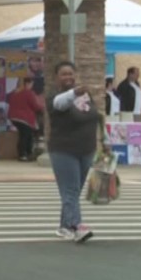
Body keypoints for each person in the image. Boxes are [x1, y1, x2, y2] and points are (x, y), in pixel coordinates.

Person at [48, 61, 102, 243]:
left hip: (86, 149)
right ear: (57, 78)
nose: (68, 77)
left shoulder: (84, 96)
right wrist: (74, 93)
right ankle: (78, 226)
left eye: (70, 73)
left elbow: (95, 115)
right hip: (64, 150)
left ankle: (64, 227)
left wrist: (105, 140)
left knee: (73, 192)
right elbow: (60, 103)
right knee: (70, 190)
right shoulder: (55, 97)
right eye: (63, 74)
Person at [7, 77, 44, 162]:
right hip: (24, 118)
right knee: (26, 136)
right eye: (31, 84)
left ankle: (25, 154)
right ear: (28, 83)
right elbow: (35, 106)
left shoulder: (14, 92)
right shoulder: (28, 93)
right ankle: (24, 154)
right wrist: (42, 108)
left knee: (23, 135)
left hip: (14, 117)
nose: (32, 86)